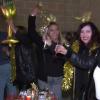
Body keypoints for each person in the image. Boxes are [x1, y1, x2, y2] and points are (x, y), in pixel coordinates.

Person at [28, 5, 66, 100]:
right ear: (48, 32)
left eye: (56, 29)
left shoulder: (63, 44)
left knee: (57, 98)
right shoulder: (42, 42)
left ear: (59, 31)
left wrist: (52, 46)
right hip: (44, 78)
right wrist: (32, 15)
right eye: (51, 30)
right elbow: (32, 32)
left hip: (57, 78)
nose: (54, 32)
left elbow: (62, 59)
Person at [55, 22, 100, 100]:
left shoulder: (97, 49)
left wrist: (67, 53)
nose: (84, 35)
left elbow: (86, 63)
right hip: (78, 89)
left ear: (94, 32)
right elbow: (72, 61)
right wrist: (61, 54)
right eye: (82, 32)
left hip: (91, 91)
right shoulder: (77, 46)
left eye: (88, 31)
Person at [7, 19, 38, 91]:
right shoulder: (18, 44)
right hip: (21, 76)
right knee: (23, 96)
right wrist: (9, 53)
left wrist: (12, 25)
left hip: (29, 77)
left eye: (15, 32)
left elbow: (21, 37)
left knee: (32, 94)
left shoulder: (27, 40)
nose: (13, 33)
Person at [0, 31, 17, 100]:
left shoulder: (3, 34)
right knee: (11, 87)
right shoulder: (4, 33)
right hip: (10, 64)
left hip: (2, 65)